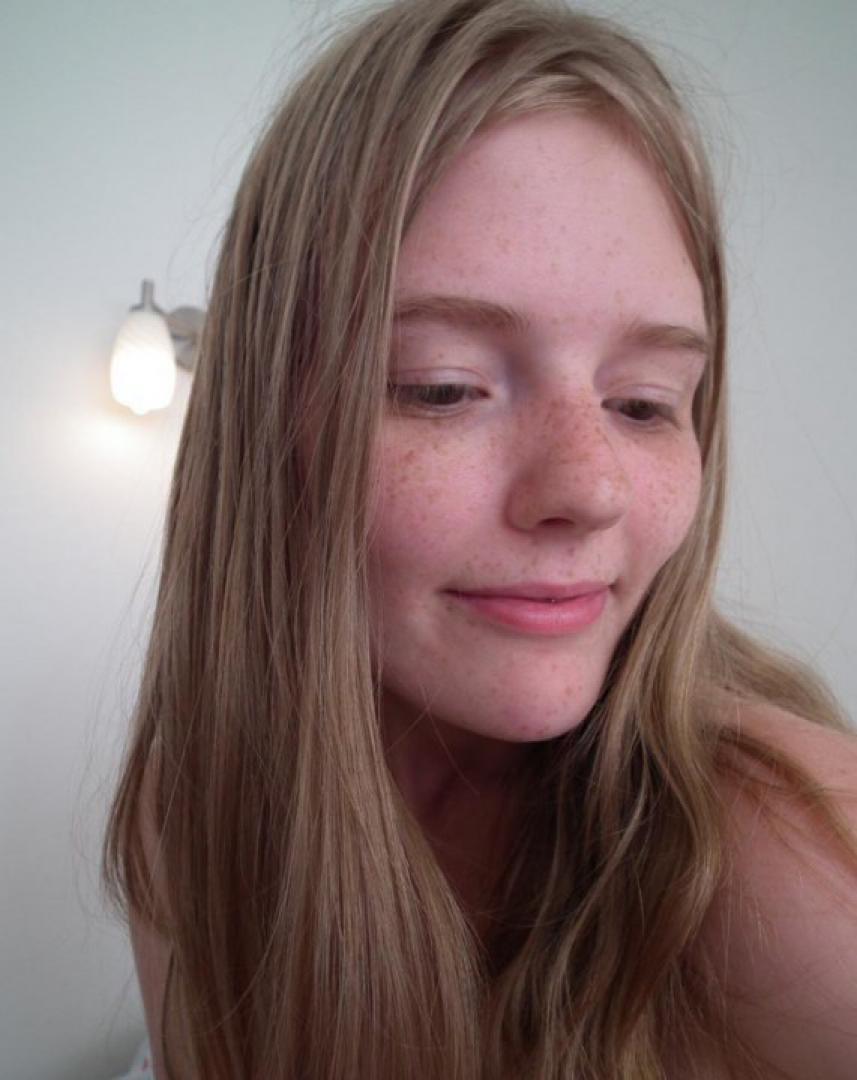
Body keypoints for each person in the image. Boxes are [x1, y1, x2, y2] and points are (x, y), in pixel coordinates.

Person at [101, 1, 857, 1077]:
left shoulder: (783, 861)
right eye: (443, 387)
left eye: (644, 403)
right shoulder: (190, 810)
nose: (589, 489)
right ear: (270, 429)